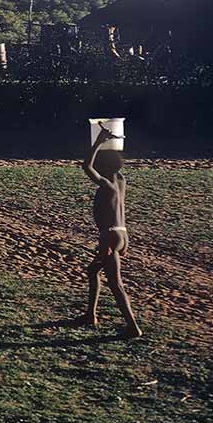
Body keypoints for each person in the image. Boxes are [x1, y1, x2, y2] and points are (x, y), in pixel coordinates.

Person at [78, 127, 143, 339]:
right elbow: (113, 162)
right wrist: (113, 141)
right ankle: (90, 315)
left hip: (110, 237)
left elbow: (86, 166)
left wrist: (97, 142)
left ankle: (133, 326)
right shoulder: (121, 181)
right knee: (92, 271)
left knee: (116, 284)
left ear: (103, 167)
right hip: (122, 236)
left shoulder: (107, 185)